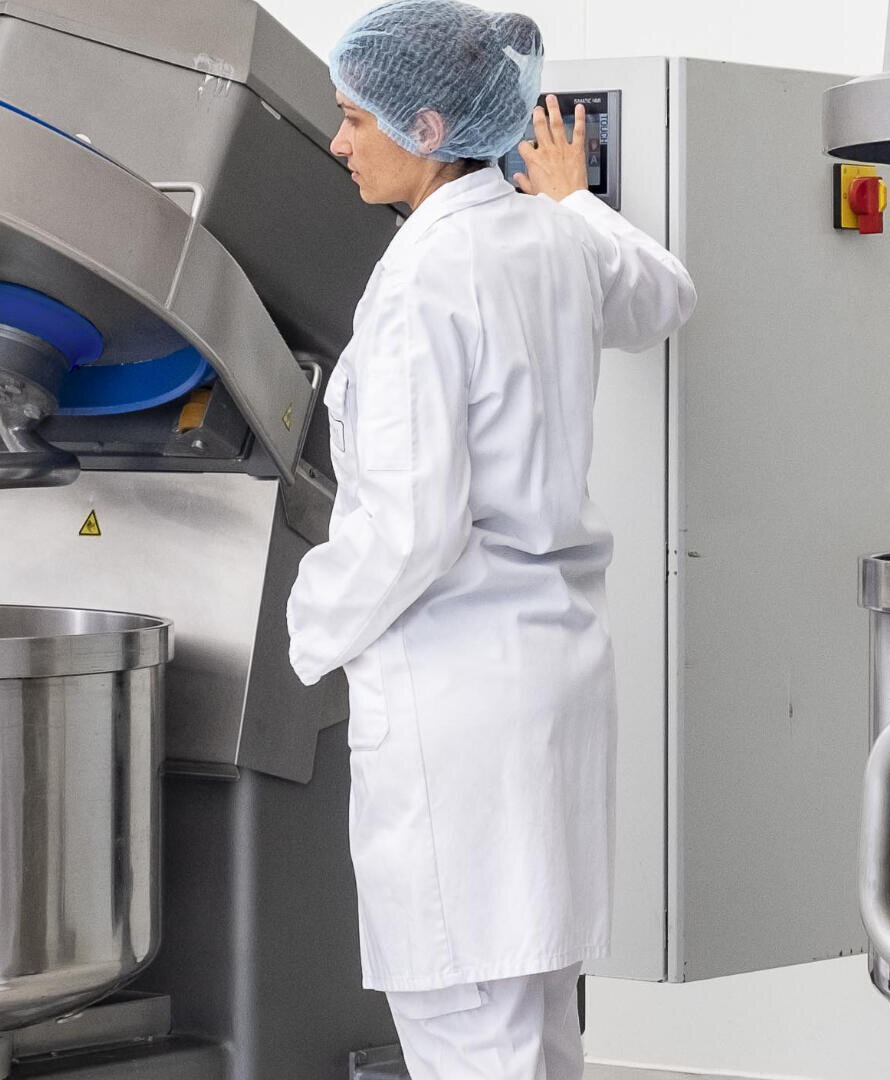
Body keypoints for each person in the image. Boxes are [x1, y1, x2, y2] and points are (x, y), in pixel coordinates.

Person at [286, 3, 696, 1077]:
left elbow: (413, 525)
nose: (336, 143)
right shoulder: (550, 238)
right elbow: (664, 296)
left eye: (354, 118)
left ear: (427, 128)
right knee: (534, 1030)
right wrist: (574, 196)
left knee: (471, 1031)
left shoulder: (425, 280)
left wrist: (305, 627)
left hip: (456, 698)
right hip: (549, 679)